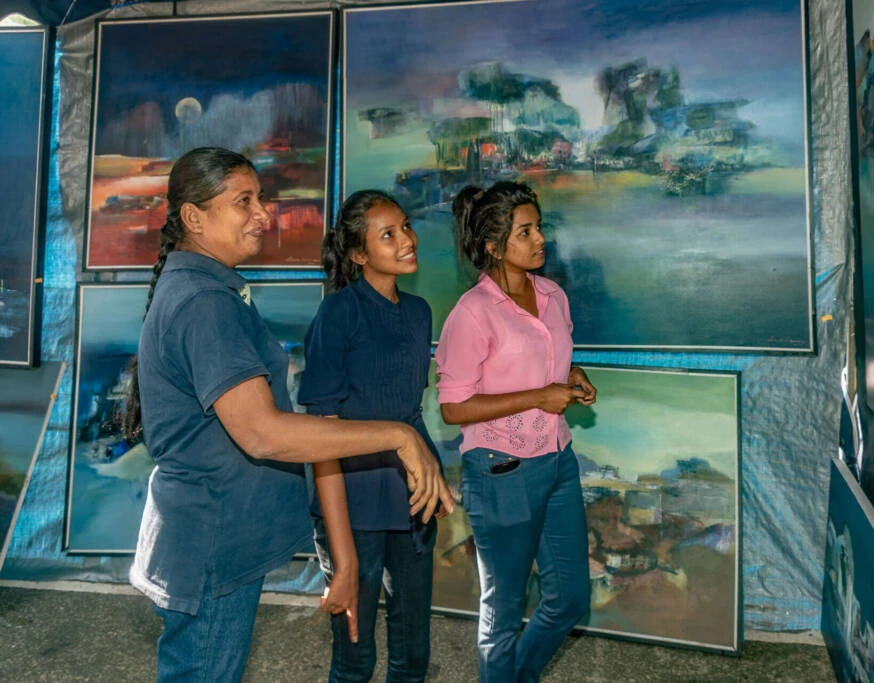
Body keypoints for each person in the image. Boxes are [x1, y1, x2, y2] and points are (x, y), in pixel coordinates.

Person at [120, 148, 452, 683]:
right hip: (211, 546)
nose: (263, 214)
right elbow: (263, 433)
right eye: (244, 202)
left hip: (219, 543)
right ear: (194, 217)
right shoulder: (205, 303)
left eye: (261, 199)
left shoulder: (214, 292)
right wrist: (398, 436)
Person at [435, 181, 597, 682]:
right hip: (501, 470)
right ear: (493, 245)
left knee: (570, 598)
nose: (539, 239)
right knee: (503, 611)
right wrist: (539, 397)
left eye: (538, 227)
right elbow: (453, 407)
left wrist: (572, 377)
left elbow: (544, 362)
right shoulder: (472, 313)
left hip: (558, 460)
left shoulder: (552, 296)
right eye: (524, 232)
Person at [298, 190, 444, 682]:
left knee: (413, 653)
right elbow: (321, 437)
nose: (407, 240)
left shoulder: (419, 312)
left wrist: (434, 476)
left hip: (411, 496)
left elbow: (409, 413)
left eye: (406, 226)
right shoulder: (339, 313)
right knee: (355, 657)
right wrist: (341, 554)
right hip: (351, 499)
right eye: (389, 234)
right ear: (359, 255)